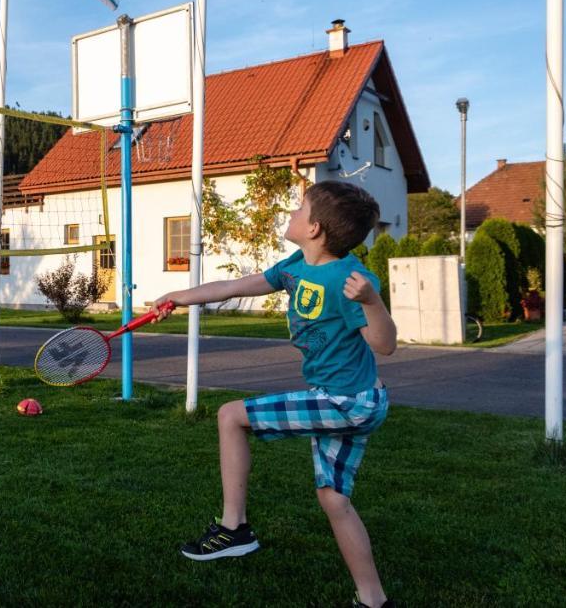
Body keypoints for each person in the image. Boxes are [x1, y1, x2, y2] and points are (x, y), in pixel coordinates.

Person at [153, 181, 397, 608]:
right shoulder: (295, 266)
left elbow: (385, 344)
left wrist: (373, 302)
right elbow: (234, 287)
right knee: (334, 499)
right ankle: (373, 601)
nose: (292, 213)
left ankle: (234, 530)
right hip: (347, 399)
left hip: (349, 403)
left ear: (316, 228)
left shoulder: (351, 280)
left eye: (300, 209)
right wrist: (179, 297)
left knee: (231, 415)